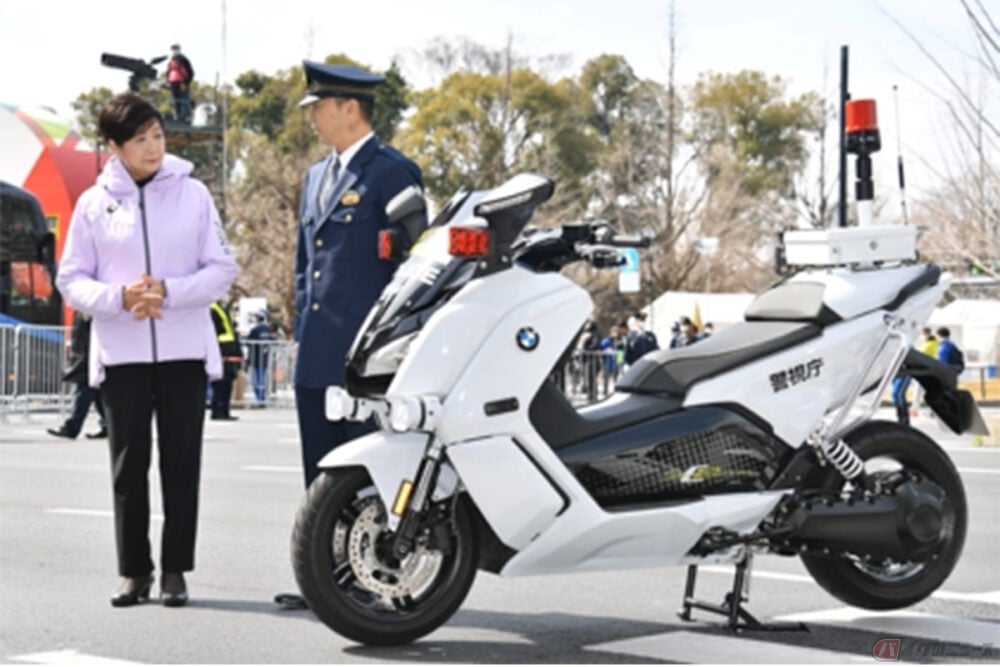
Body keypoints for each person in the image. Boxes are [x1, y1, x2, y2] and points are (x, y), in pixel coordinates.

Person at [55, 92, 238, 608]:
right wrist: (119, 299)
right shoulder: (93, 204)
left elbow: (222, 269)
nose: (153, 147)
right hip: (122, 355)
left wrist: (170, 291)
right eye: (140, 139)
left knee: (182, 463)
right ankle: (134, 572)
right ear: (114, 146)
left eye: (157, 135)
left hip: (182, 352)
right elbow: (71, 279)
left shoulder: (194, 194)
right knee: (127, 466)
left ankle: (176, 570)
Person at [47, 312, 107, 440]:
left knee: (83, 395)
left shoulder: (89, 315)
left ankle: (72, 428)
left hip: (87, 360)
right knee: (97, 396)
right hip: (86, 359)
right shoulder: (84, 315)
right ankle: (108, 425)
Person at [209, 301, 242, 420]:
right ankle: (218, 411)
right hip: (222, 351)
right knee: (220, 384)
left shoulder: (222, 308)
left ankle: (224, 410)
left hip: (228, 350)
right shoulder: (213, 309)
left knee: (227, 383)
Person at [246, 310, 275, 405]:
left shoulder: (255, 329)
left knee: (257, 379)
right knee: (262, 378)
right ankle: (261, 397)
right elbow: (273, 339)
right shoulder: (268, 329)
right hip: (264, 358)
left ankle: (259, 398)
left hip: (256, 358)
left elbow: (248, 341)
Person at [912, 327, 938, 414]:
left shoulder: (929, 343)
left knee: (918, 390)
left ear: (925, 333)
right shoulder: (934, 342)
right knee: (928, 390)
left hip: (923, 369)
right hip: (931, 368)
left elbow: (922, 354)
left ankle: (915, 409)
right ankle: (929, 410)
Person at [166, 44, 194, 123]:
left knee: (183, 101)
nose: (174, 51)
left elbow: (190, 73)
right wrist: (168, 83)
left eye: (176, 48)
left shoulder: (184, 60)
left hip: (182, 83)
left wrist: (185, 83)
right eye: (173, 49)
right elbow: (168, 73)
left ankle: (184, 117)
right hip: (173, 84)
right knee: (175, 102)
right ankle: (177, 116)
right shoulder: (171, 61)